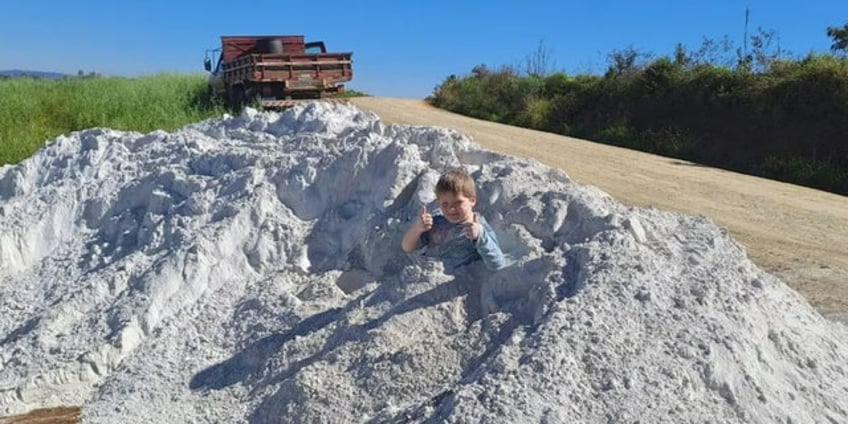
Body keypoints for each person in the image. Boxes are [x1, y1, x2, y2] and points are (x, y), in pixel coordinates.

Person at [401, 170, 505, 271]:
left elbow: (497, 264)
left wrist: (480, 236)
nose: (451, 209)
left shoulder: (479, 228)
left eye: (458, 203)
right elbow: (408, 247)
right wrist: (417, 229)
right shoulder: (437, 223)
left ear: (472, 200)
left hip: (454, 284)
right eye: (445, 204)